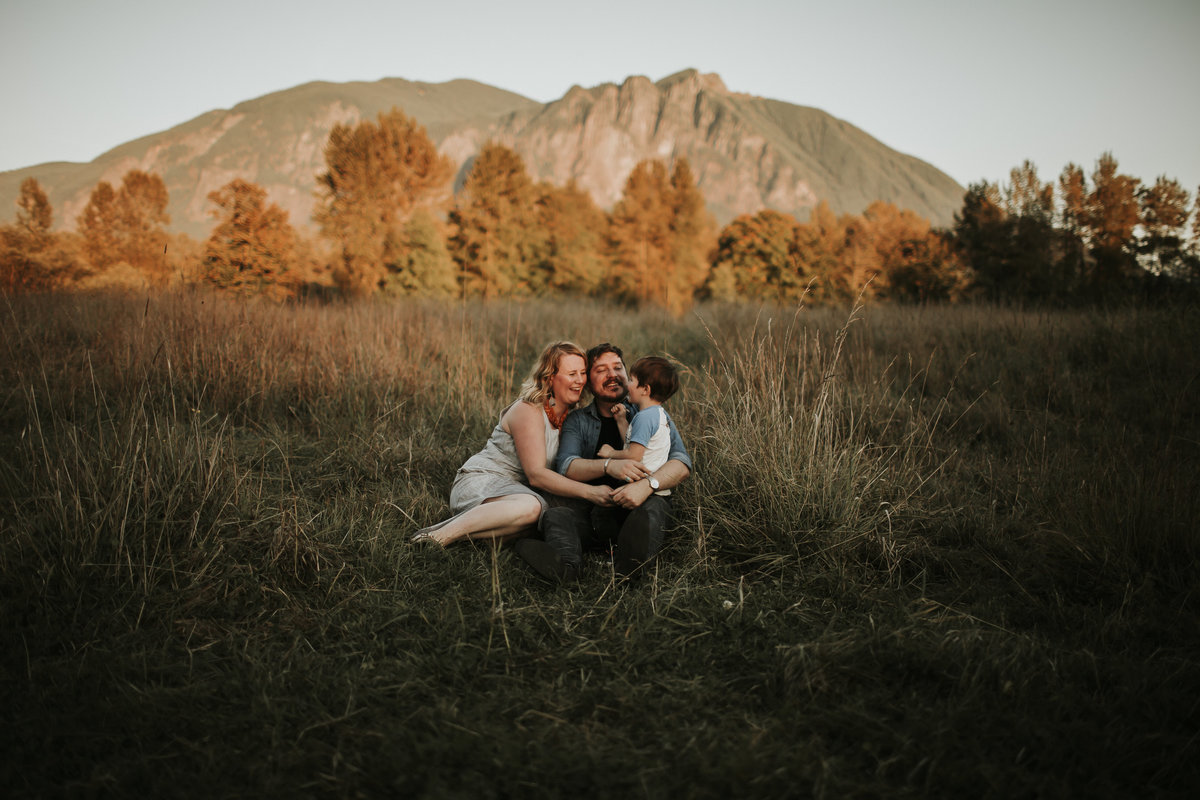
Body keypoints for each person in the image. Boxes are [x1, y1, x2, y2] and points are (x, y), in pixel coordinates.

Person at [514, 343, 692, 580]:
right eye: (601, 370)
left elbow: (681, 462)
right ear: (589, 381)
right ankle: (566, 567)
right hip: (596, 513)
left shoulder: (649, 414)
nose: (612, 375)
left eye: (618, 368)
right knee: (556, 515)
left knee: (651, 510)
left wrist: (647, 485)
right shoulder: (578, 420)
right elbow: (567, 466)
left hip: (640, 506)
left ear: (629, 376)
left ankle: (629, 572)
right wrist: (609, 466)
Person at [411, 341, 613, 548]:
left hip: (519, 495)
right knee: (533, 508)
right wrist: (591, 493)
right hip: (484, 482)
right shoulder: (529, 410)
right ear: (550, 378)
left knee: (549, 516)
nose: (579, 380)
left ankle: (476, 541)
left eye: (582, 373)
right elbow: (536, 475)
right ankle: (437, 537)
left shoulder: (573, 417)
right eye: (572, 374)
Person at [597, 356, 680, 490]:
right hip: (649, 487)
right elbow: (633, 443)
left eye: (631, 380)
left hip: (641, 488)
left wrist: (611, 453)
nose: (627, 384)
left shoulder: (644, 418)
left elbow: (634, 455)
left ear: (645, 390)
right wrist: (621, 420)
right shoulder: (658, 414)